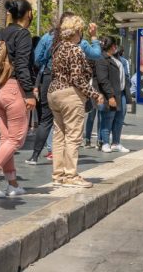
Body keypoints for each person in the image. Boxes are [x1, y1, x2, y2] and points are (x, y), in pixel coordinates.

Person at [0, 0, 36, 198]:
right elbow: (22, 65)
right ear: (28, 13)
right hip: (14, 90)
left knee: (6, 139)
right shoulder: (23, 35)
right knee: (17, 139)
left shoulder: (1, 33)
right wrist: (29, 93)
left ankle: (12, 183)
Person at [28, 14, 101, 163]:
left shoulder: (51, 41)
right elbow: (94, 57)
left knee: (49, 123)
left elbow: (37, 59)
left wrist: (46, 65)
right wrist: (94, 94)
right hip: (70, 89)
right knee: (72, 131)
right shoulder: (77, 48)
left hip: (50, 82)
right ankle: (69, 171)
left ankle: (38, 156)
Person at [48, 15, 103, 187]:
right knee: (73, 136)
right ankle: (71, 176)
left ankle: (58, 175)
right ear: (77, 32)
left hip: (54, 92)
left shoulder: (57, 49)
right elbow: (77, 78)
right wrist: (95, 94)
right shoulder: (75, 49)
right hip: (70, 95)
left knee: (59, 135)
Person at [95, 36, 133, 154]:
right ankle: (105, 143)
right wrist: (110, 96)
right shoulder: (102, 59)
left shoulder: (117, 58)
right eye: (114, 45)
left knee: (119, 119)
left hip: (120, 93)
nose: (116, 47)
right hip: (110, 94)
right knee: (108, 119)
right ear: (111, 46)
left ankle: (116, 143)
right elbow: (103, 80)